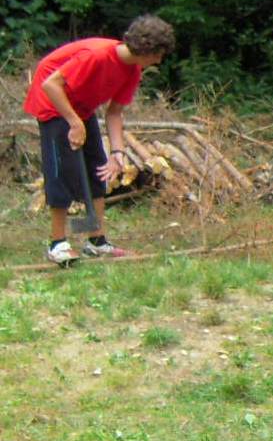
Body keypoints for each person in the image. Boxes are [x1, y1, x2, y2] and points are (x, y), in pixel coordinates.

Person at [24, 15, 175, 266]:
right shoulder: (98, 56)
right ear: (146, 48)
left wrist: (117, 152)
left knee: (98, 170)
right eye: (158, 54)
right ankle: (57, 244)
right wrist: (74, 123)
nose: (159, 61)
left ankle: (96, 240)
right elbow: (51, 85)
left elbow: (114, 113)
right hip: (53, 103)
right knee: (63, 171)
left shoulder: (132, 71)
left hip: (81, 107)